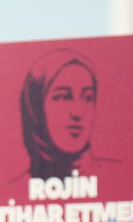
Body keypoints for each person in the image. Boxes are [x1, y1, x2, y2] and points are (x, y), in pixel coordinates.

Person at [20, 48, 100, 180]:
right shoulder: (10, 193)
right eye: (63, 97)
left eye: (88, 98)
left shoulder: (125, 180)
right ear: (36, 108)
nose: (77, 112)